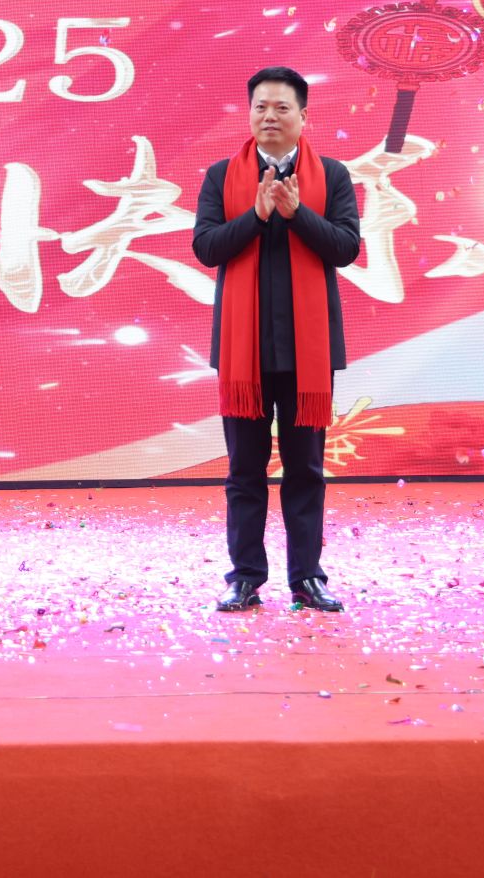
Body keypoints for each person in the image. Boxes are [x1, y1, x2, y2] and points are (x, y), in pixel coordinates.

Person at [192, 67, 360, 613]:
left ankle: (307, 577)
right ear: (249, 115)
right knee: (244, 471)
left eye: (282, 107)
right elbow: (207, 248)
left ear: (303, 117)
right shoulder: (222, 177)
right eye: (260, 107)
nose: (270, 116)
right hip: (243, 355)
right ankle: (245, 577)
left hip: (307, 356)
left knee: (305, 471)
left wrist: (296, 213)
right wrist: (258, 214)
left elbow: (345, 249)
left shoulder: (332, 175)